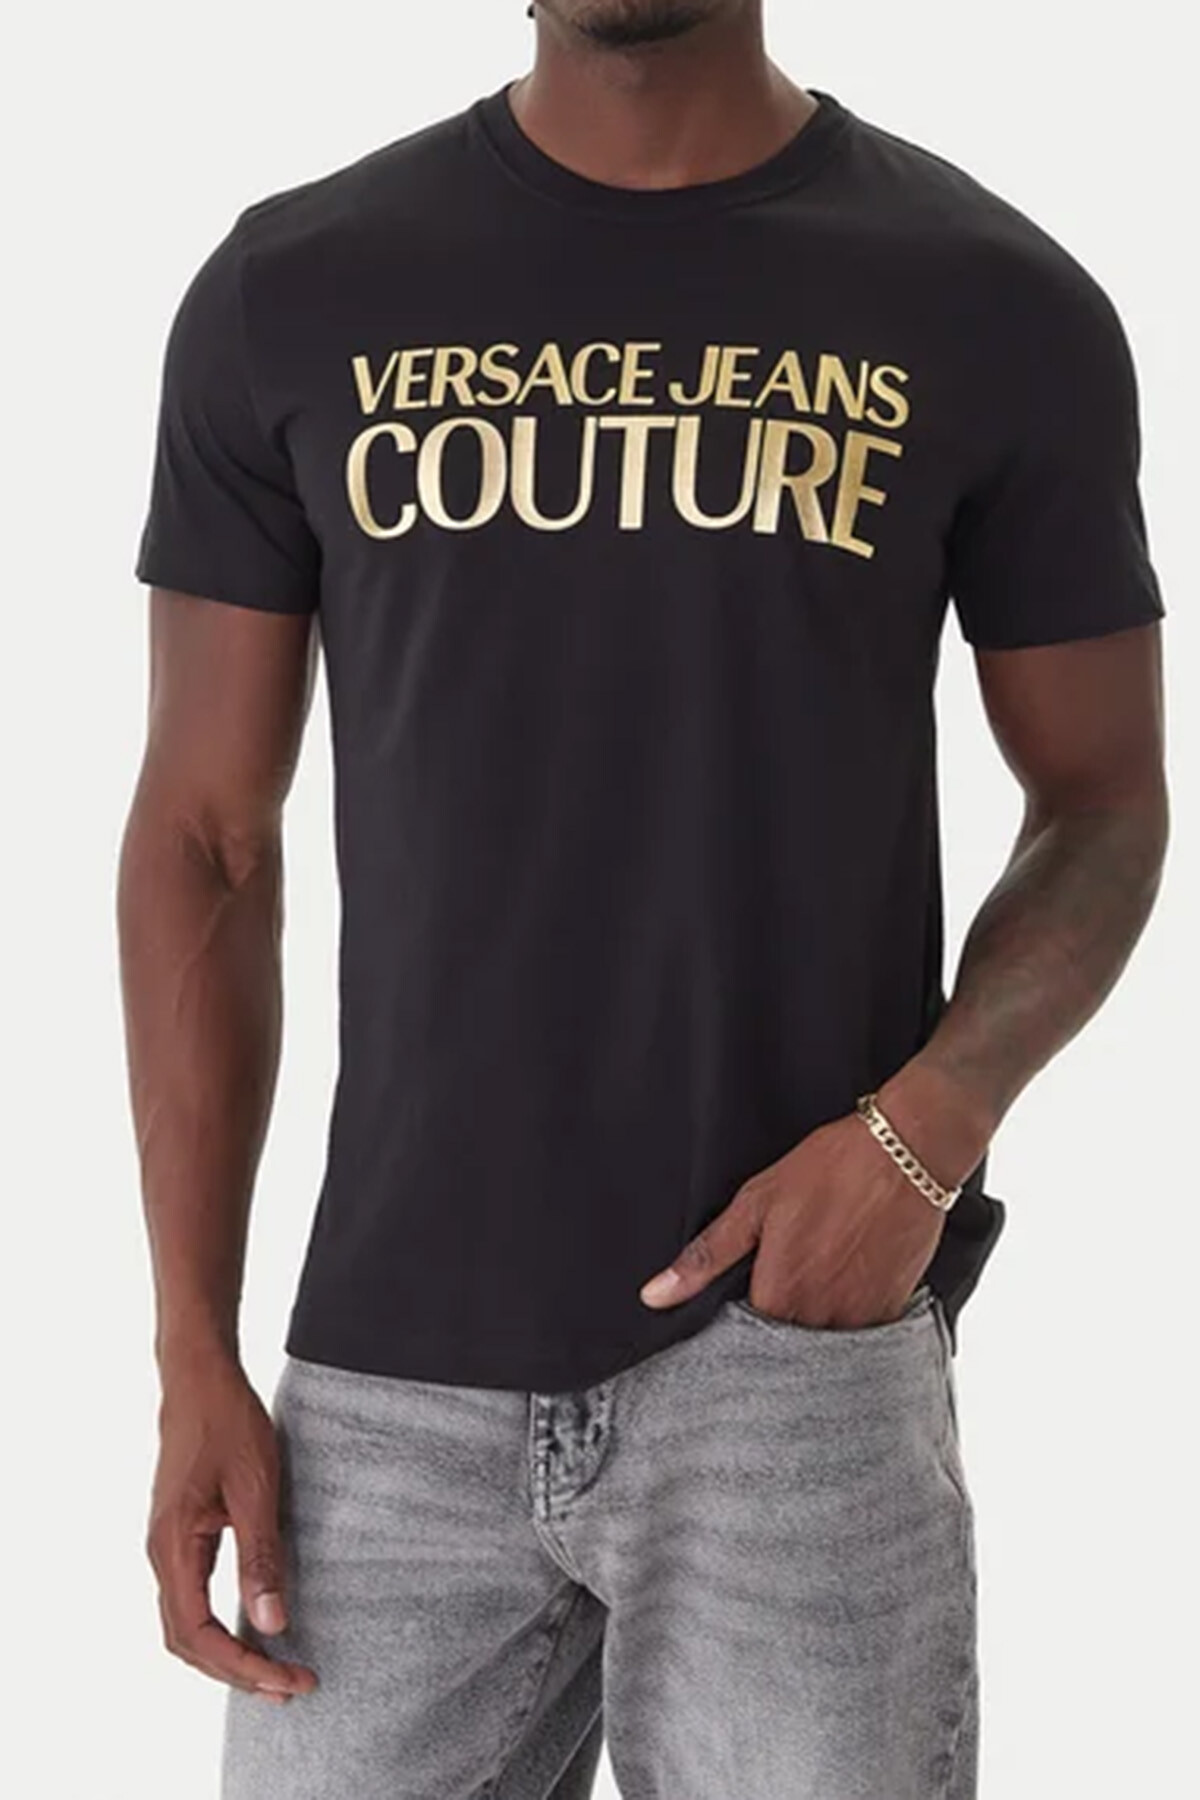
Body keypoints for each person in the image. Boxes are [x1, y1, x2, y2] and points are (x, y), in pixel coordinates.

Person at [118, 3, 1169, 1795]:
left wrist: (924, 1135)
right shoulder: (292, 291)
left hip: (794, 1362)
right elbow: (208, 834)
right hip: (390, 1383)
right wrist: (190, 1350)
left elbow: (1104, 801)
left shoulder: (992, 300)